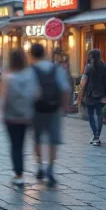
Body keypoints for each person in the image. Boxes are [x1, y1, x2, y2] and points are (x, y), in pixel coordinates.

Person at [29, 43, 71, 186]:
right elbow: (65, 89)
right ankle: (51, 169)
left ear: (32, 55)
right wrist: (65, 106)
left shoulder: (31, 70)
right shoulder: (55, 69)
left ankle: (40, 165)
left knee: (37, 139)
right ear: (44, 53)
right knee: (53, 140)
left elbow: (28, 92)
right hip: (54, 109)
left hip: (36, 110)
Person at [0, 49, 36, 187]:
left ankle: (18, 174)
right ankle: (21, 172)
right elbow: (36, 93)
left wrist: (1, 114)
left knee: (15, 145)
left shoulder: (7, 76)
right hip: (27, 115)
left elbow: (4, 97)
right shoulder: (30, 75)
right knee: (22, 144)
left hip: (11, 116)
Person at [80, 49, 106, 146]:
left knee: (91, 116)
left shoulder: (89, 67)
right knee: (99, 116)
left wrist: (81, 92)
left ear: (91, 56)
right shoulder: (105, 67)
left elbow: (83, 82)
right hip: (102, 94)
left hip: (90, 95)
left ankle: (95, 136)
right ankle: (97, 136)